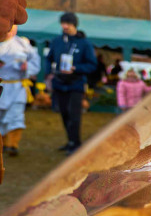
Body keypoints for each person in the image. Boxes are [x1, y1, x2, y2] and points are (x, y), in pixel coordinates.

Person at [46, 12, 97, 154]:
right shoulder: (57, 41)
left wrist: (76, 69)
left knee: (74, 115)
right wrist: (48, 73)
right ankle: (70, 141)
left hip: (76, 84)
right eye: (63, 23)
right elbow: (48, 58)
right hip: (59, 83)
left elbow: (92, 65)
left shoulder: (84, 43)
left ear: (74, 24)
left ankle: (76, 144)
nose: (64, 26)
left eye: (67, 23)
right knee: (64, 114)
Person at [0, 25, 41, 156]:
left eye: (14, 27)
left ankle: (12, 144)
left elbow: (36, 62)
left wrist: (27, 67)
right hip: (2, 85)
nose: (11, 30)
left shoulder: (23, 44)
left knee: (16, 115)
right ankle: (2, 143)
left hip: (17, 86)